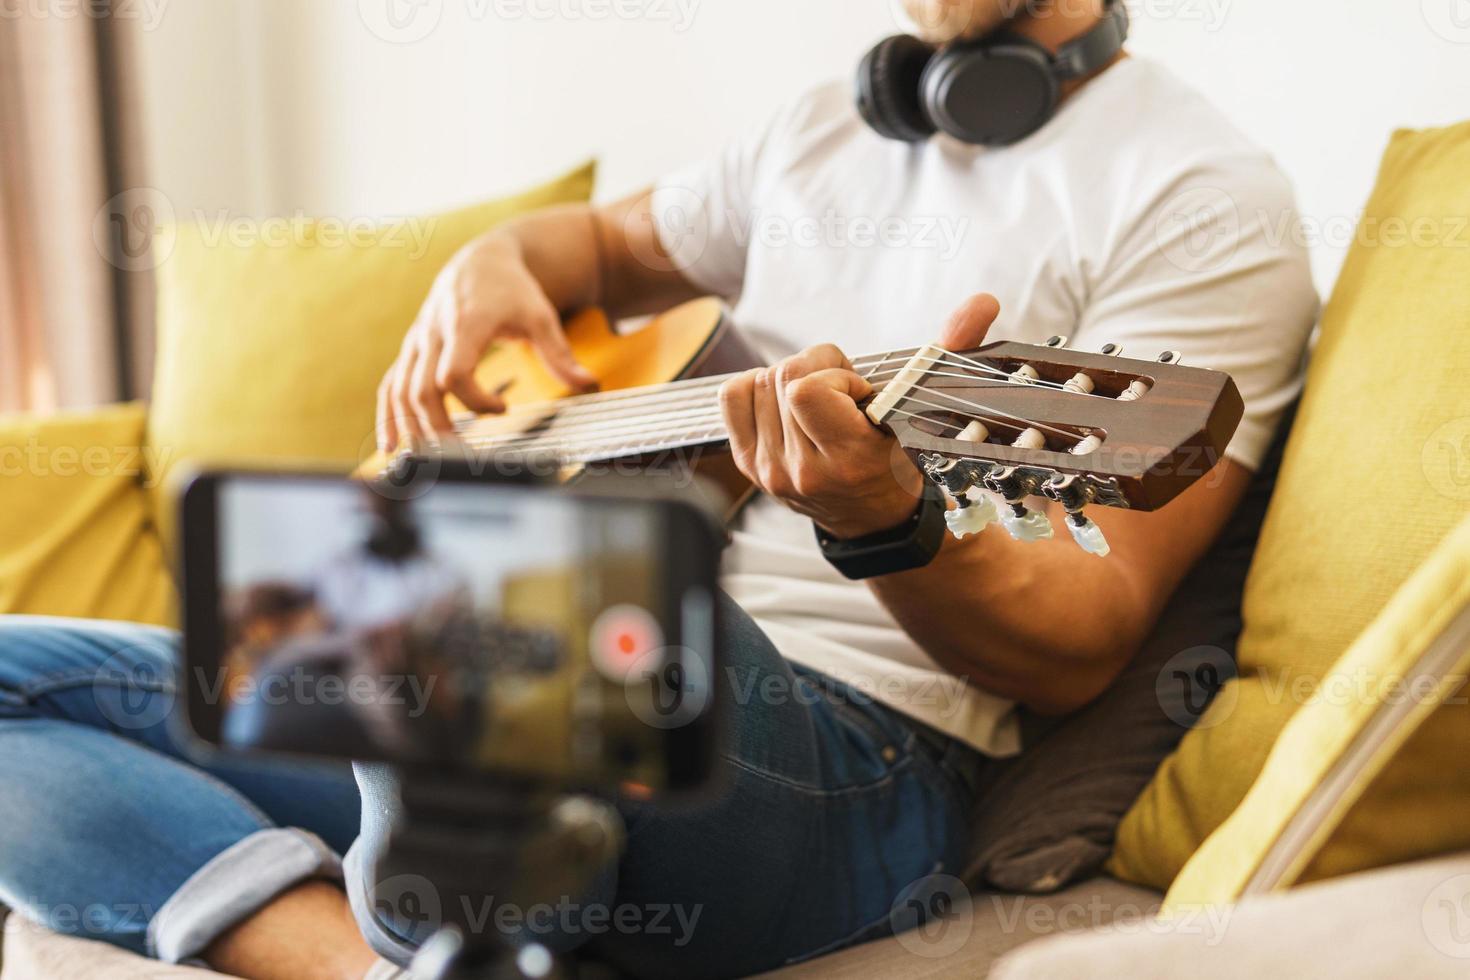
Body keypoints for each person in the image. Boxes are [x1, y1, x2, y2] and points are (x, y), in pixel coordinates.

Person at [0, 2, 1317, 978]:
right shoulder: (815, 131)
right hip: (575, 687)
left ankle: (458, 874)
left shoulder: (1202, 199)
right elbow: (597, 247)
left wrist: (888, 520)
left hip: (848, 762)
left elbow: (1079, 639)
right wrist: (488, 263)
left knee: (471, 582)